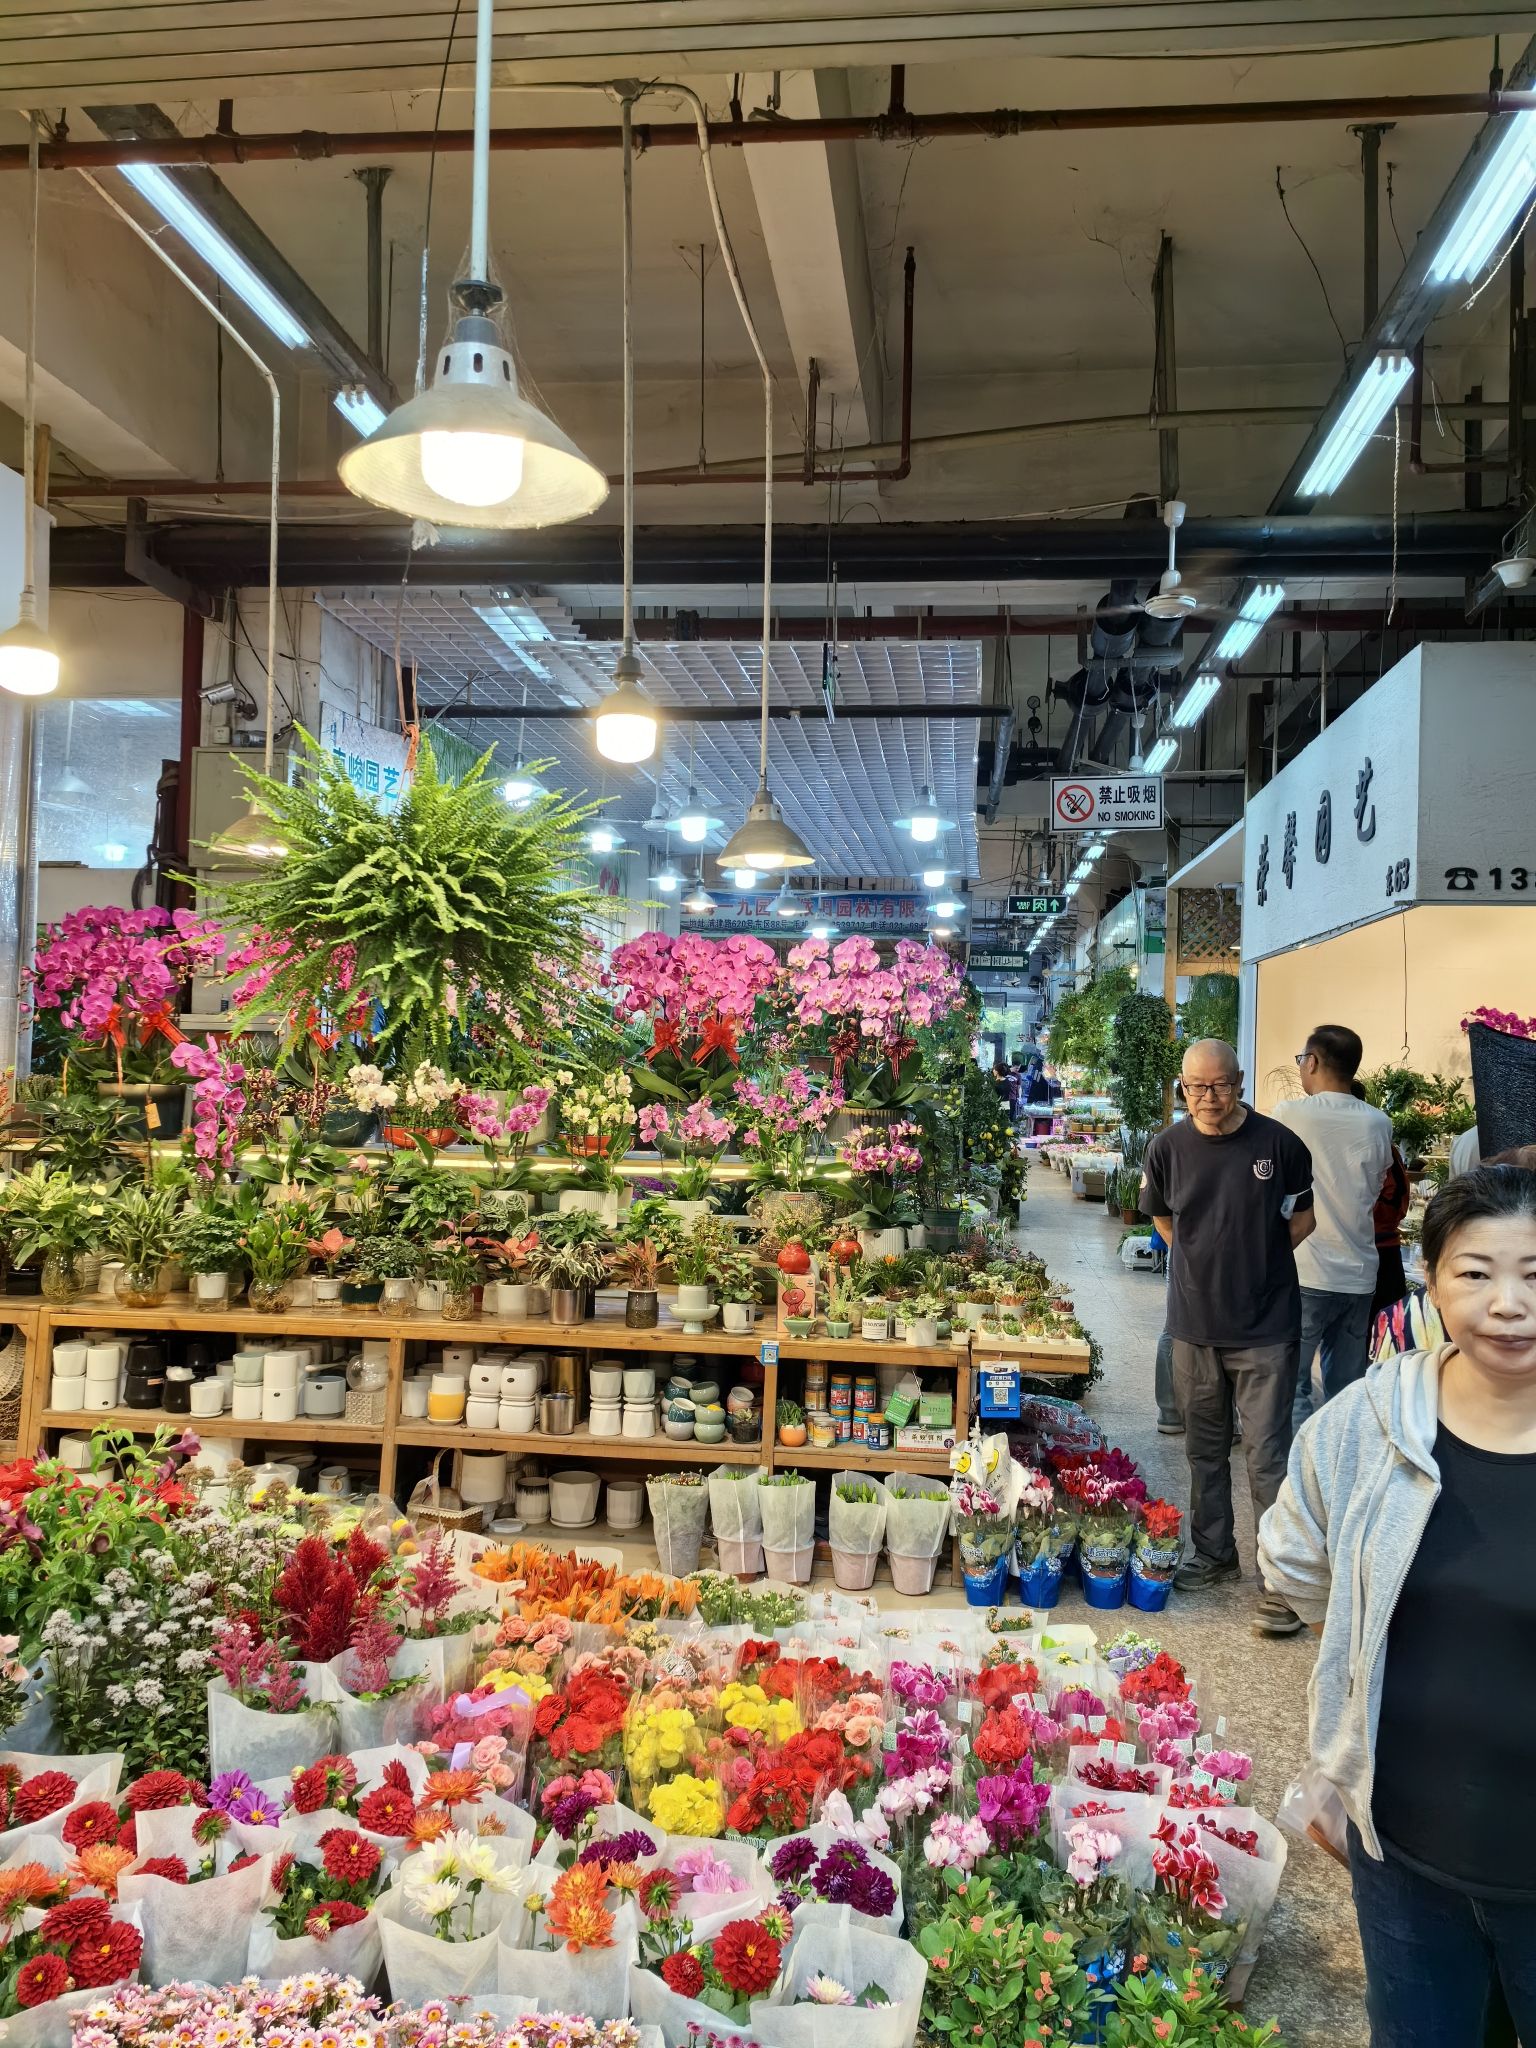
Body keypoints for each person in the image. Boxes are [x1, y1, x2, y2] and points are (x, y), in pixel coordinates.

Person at [1258, 1165, 1536, 2046]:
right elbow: (1293, 1554)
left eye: (1535, 1274)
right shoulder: (1373, 1422)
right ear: (1430, 1279)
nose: (1508, 1304)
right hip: (1403, 1855)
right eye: (1476, 1272)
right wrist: (1351, 1659)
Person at [1140, 1037, 1314, 1636]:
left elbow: (1304, 1218)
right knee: (1204, 1451)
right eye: (1195, 1087)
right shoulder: (1167, 1148)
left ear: (1240, 1082)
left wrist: (1256, 1263)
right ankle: (1215, 1555)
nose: (1208, 1097)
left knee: (1267, 1457)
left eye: (1219, 1085)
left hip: (1266, 1327)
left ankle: (1283, 1582)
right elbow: (1163, 1219)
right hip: (1195, 1327)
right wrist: (1203, 1264)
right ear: (1182, 1087)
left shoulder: (1280, 1145)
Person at [1273, 1026, 1394, 1433]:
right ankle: (1339, 1459)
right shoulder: (1379, 1123)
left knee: (1292, 1386)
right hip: (1359, 1273)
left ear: (1312, 1062)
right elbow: (1377, 1187)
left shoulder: (1290, 1114)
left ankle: (1298, 1464)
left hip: (1306, 1270)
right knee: (1346, 1391)